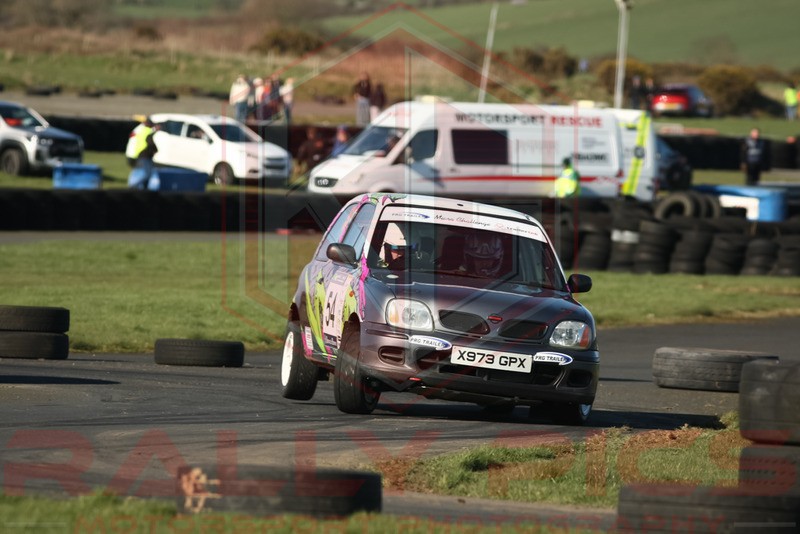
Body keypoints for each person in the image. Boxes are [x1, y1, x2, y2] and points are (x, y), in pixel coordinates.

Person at [127, 117, 158, 189]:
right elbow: (150, 141)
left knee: (138, 172)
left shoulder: (138, 129)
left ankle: (140, 188)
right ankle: (132, 187)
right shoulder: (146, 131)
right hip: (141, 155)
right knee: (147, 174)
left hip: (132, 155)